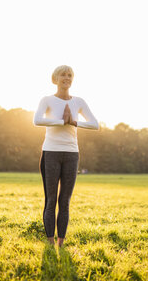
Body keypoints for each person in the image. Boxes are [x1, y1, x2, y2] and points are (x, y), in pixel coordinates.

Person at [33, 65, 99, 247]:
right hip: (51, 153)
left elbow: (95, 124)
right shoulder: (47, 100)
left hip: (72, 154)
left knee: (65, 201)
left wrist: (74, 122)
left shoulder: (79, 101)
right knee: (51, 199)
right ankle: (50, 243)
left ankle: (61, 244)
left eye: (70, 75)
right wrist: (62, 122)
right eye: (63, 74)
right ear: (55, 78)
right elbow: (36, 120)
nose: (67, 77)